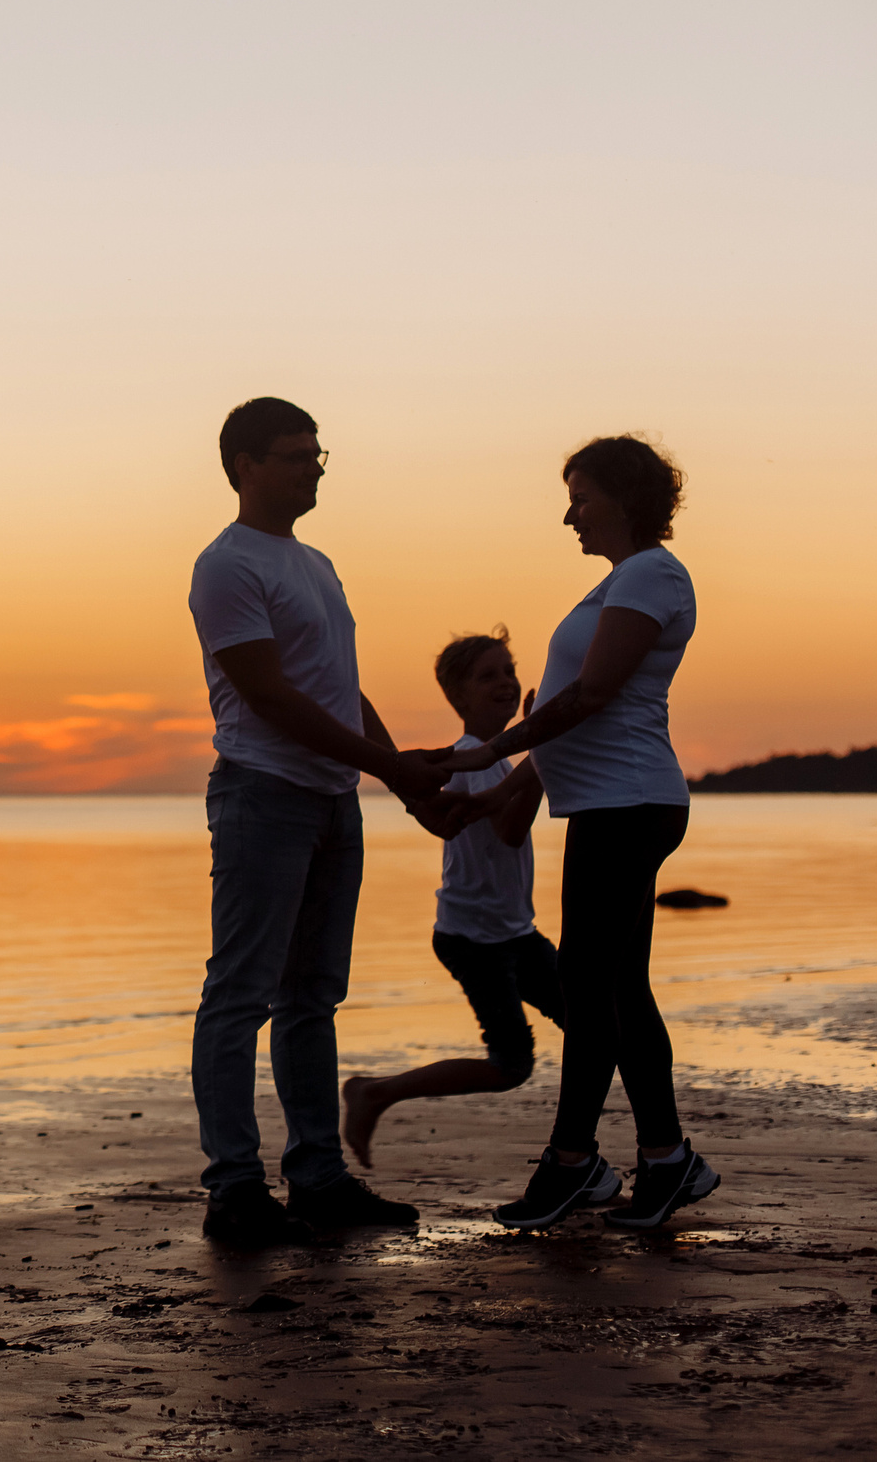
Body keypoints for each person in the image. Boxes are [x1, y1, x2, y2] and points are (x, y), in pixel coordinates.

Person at [428, 435, 718, 1231]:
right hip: (608, 802)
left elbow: (590, 696)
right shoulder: (622, 582)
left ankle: (572, 1162)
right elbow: (572, 724)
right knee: (619, 988)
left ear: (624, 497)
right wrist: (495, 794)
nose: (569, 515)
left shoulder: (653, 574)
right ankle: (666, 1160)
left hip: (626, 805)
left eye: (581, 497)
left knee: (587, 990)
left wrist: (491, 748)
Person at [187, 397, 444, 1247]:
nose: (315, 467)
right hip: (264, 794)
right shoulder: (227, 566)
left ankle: (319, 1177)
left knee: (312, 998)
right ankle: (233, 1189)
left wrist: (402, 777)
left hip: (335, 799)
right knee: (240, 993)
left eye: (318, 452)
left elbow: (336, 688)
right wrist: (394, 768)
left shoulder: (318, 563)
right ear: (244, 465)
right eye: (296, 455)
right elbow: (270, 695)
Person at [341, 630, 562, 1166]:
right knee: (512, 1065)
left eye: (509, 671)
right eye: (489, 676)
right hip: (474, 938)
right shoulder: (471, 759)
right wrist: (544, 744)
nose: (506, 683)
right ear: (458, 697)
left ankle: (577, 1154)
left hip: (512, 931)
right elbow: (510, 830)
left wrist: (535, 747)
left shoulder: (496, 760)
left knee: (596, 1022)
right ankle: (374, 1091)